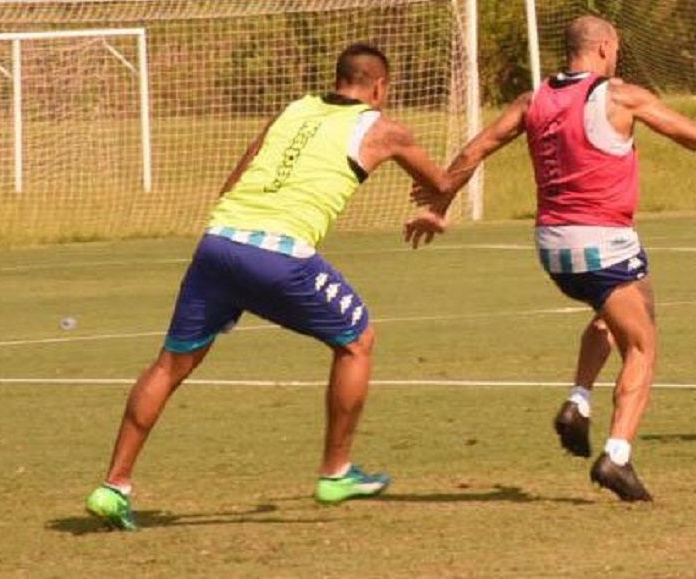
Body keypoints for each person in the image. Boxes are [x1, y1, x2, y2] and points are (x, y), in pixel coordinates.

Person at [85, 42, 456, 530]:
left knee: (170, 365)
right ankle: (337, 471)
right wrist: (435, 210)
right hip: (279, 255)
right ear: (380, 87)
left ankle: (113, 485)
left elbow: (236, 179)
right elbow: (444, 182)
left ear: (339, 77)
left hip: (218, 243)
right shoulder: (384, 130)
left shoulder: (295, 109)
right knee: (357, 341)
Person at [405, 15, 696, 501]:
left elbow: (480, 147)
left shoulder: (532, 99)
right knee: (642, 346)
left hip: (552, 248)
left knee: (610, 317)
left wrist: (440, 203)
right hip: (603, 242)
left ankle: (578, 402)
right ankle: (617, 457)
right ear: (604, 46)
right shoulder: (620, 95)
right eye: (616, 47)